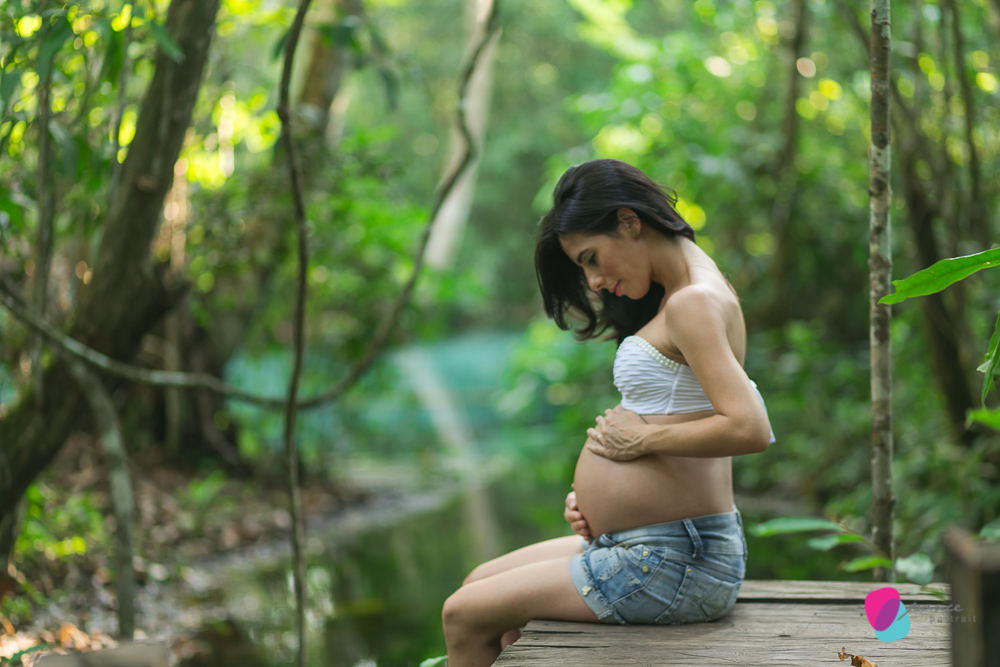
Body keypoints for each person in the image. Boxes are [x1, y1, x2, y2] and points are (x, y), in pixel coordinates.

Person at [440, 159, 774, 666]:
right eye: (583, 268)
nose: (594, 281)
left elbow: (749, 427)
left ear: (628, 221)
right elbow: (681, 412)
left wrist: (640, 444)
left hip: (676, 559)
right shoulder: (690, 294)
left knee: (462, 613)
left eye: (591, 258)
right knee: (479, 586)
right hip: (653, 545)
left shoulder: (694, 302)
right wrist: (602, 504)